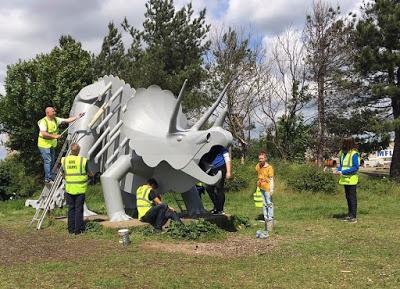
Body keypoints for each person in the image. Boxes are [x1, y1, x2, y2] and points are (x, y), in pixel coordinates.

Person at [37, 106, 84, 183]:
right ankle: (47, 178)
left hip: (51, 144)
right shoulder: (43, 122)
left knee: (52, 161)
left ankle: (51, 175)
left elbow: (67, 120)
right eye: (53, 111)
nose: (54, 112)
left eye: (54, 111)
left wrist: (78, 116)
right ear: (48, 113)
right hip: (44, 144)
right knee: (48, 161)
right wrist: (55, 136)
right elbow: (44, 134)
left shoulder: (55, 119)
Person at [61, 143, 92, 234]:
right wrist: (92, 176)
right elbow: (89, 173)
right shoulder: (82, 160)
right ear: (78, 151)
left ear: (71, 150)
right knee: (79, 210)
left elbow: (62, 174)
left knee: (71, 209)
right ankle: (78, 230)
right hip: (80, 189)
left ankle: (70, 230)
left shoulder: (65, 160)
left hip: (69, 188)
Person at [334, 137, 360, 223]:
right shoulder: (342, 153)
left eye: (345, 142)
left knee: (352, 198)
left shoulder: (354, 154)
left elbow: (355, 167)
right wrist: (338, 170)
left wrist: (343, 171)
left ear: (349, 143)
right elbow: (342, 165)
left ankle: (353, 217)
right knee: (348, 197)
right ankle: (349, 215)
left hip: (351, 179)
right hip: (344, 179)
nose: (343, 144)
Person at [203, 145, 231, 214]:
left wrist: (228, 172)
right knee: (209, 188)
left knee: (219, 188)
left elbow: (227, 160)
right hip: (211, 169)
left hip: (221, 167)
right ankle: (216, 207)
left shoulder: (222, 148)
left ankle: (220, 209)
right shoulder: (209, 147)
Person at [255, 151, 275, 230]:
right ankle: (265, 217)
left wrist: (271, 189)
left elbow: (271, 179)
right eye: (259, 158)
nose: (260, 160)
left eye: (262, 158)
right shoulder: (258, 166)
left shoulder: (269, 167)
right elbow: (259, 174)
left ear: (265, 158)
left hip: (267, 187)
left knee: (269, 202)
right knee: (263, 203)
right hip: (261, 187)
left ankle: (270, 217)